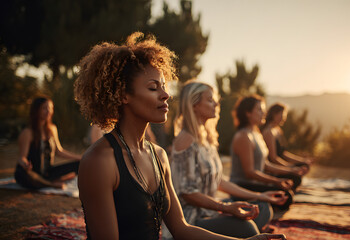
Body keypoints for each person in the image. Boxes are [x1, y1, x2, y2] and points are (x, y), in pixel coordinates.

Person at [74, 32, 286, 240]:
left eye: (164, 87)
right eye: (153, 88)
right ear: (123, 95)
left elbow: (182, 230)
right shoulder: (99, 161)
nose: (166, 94)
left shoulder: (159, 155)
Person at [168, 81, 288, 238]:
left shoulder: (206, 139)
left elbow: (218, 181)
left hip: (210, 211)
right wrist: (225, 207)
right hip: (191, 220)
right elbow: (187, 194)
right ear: (194, 105)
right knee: (247, 228)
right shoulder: (185, 139)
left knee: (263, 208)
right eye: (210, 100)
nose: (216, 103)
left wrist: (260, 195)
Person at [230, 95, 306, 210]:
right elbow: (249, 173)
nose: (264, 113)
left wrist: (289, 171)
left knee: (288, 188)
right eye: (260, 110)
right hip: (242, 186)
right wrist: (276, 181)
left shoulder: (256, 133)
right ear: (248, 113)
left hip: (255, 183)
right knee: (285, 196)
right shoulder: (243, 136)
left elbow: (265, 164)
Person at [14, 97, 81, 189]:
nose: (48, 111)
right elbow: (22, 157)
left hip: (48, 172)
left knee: (81, 164)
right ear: (36, 110)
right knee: (22, 173)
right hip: (32, 172)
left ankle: (46, 182)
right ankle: (51, 184)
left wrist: (80, 158)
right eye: (44, 108)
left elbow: (59, 151)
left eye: (50, 108)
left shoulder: (52, 129)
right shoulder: (28, 132)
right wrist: (25, 164)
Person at [261, 103, 313, 169]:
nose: (284, 118)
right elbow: (273, 158)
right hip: (274, 168)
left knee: (305, 165)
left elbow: (283, 153)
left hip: (281, 165)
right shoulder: (268, 132)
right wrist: (291, 168)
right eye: (282, 115)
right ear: (274, 114)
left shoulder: (278, 130)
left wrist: (303, 161)